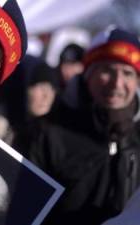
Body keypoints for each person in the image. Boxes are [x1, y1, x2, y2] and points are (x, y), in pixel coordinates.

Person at [24, 27, 140, 225]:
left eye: (127, 73)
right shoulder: (46, 132)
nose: (117, 83)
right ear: (87, 73)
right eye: (107, 71)